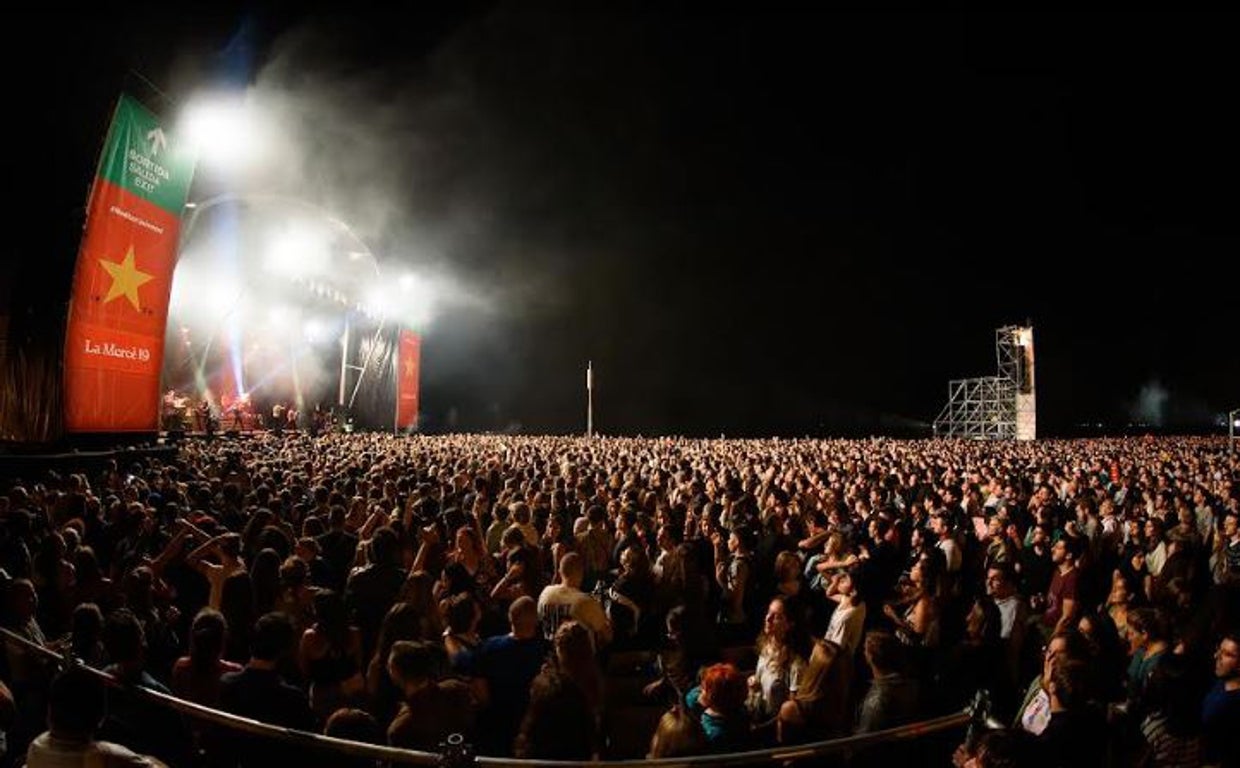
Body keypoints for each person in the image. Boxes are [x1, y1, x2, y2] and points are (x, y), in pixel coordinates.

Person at [26, 665, 167, 768]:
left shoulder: (35, 747)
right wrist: (148, 759)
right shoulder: (108, 757)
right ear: (101, 717)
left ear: (49, 713)